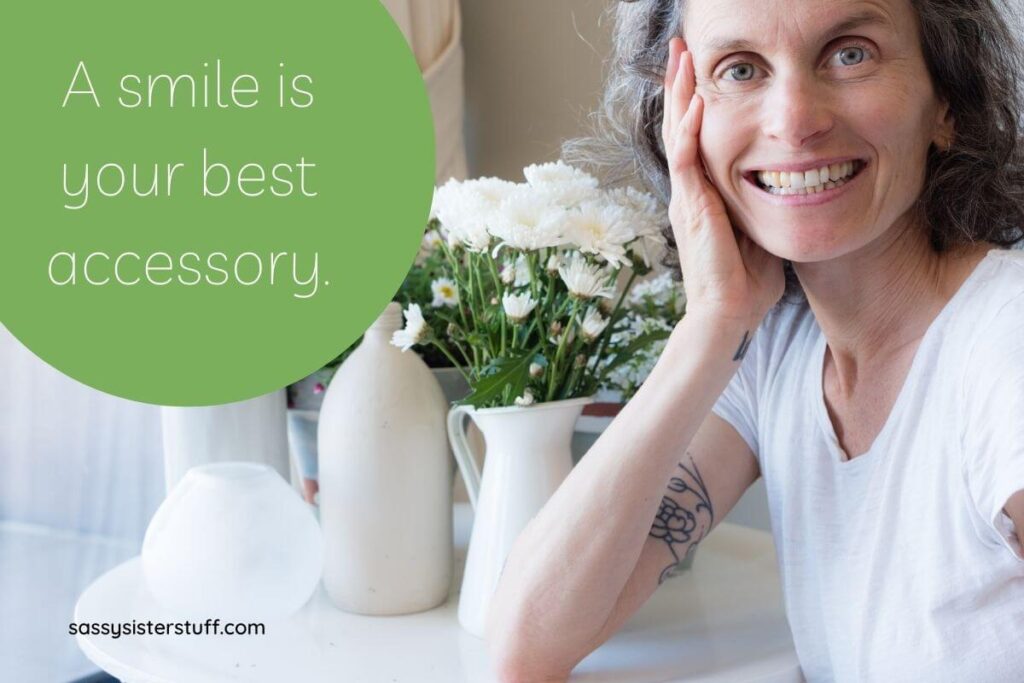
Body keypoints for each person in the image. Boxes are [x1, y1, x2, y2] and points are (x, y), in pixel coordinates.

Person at [486, 1, 1024, 681]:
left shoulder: (1004, 347)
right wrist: (711, 325)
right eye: (740, 69)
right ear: (682, 120)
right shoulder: (776, 346)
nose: (794, 119)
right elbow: (527, 641)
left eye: (850, 53)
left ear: (945, 99)